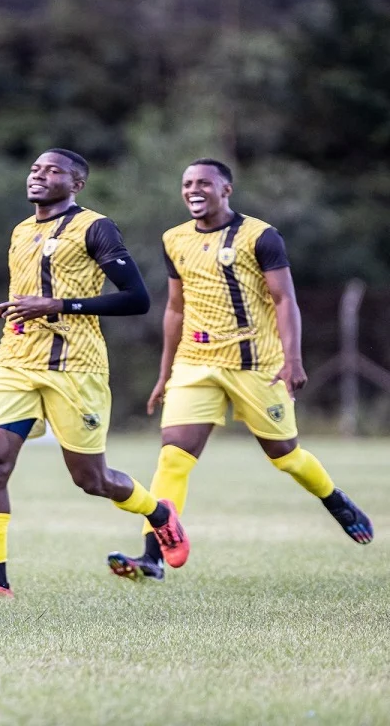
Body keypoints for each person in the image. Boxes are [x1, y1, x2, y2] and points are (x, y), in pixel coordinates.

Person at [107, 159, 373, 581]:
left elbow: (285, 300)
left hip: (258, 366)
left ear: (226, 190)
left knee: (285, 458)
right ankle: (152, 558)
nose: (194, 190)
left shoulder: (260, 236)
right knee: (173, 457)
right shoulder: (173, 238)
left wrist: (294, 359)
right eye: (187, 183)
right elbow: (175, 308)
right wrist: (165, 373)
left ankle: (333, 498)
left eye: (204, 183)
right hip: (196, 365)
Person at [0, 149, 187, 600]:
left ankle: (159, 515)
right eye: (35, 169)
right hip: (15, 361)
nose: (39, 176)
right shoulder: (21, 230)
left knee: (92, 480)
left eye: (53, 171)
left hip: (75, 366)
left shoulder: (95, 227)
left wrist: (60, 306)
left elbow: (137, 299)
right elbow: (28, 297)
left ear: (77, 183)